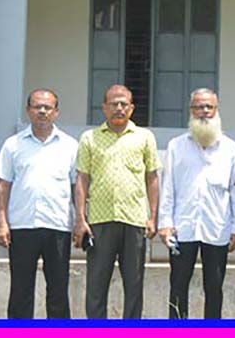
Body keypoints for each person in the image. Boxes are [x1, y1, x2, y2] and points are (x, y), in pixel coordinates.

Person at [74, 85, 160, 319]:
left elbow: (152, 177)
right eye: (114, 104)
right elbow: (82, 179)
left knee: (134, 286)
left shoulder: (144, 137)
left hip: (134, 220)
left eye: (124, 104)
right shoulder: (90, 138)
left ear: (131, 108)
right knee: (96, 286)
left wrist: (153, 217)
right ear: (104, 107)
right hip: (99, 221)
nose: (119, 108)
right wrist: (80, 219)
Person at [159, 88, 235, 319]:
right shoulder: (176, 146)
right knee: (178, 287)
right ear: (191, 110)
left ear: (216, 110)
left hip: (218, 227)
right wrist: (165, 224)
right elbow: (168, 187)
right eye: (199, 107)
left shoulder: (230, 148)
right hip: (182, 228)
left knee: (214, 289)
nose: (204, 111)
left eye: (209, 107)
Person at [0, 89, 78, 318]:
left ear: (56, 112)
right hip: (22, 226)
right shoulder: (13, 145)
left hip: (58, 225)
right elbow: (3, 185)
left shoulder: (70, 146)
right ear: (28, 111)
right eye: (37, 107)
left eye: (47, 107)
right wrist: (2, 222)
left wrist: (80, 220)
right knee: (20, 291)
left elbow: (76, 187)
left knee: (58, 291)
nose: (42, 111)